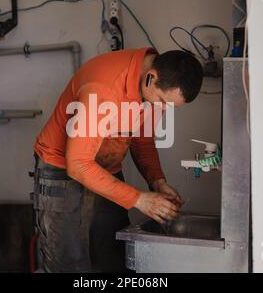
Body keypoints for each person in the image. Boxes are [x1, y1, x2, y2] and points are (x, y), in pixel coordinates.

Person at [33, 47, 203, 272]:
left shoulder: (153, 85)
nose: (162, 109)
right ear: (151, 78)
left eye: (169, 106)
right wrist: (138, 199)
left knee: (114, 258)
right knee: (69, 264)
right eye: (162, 101)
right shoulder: (103, 89)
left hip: (105, 168)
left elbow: (142, 140)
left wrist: (157, 182)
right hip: (63, 170)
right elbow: (78, 165)